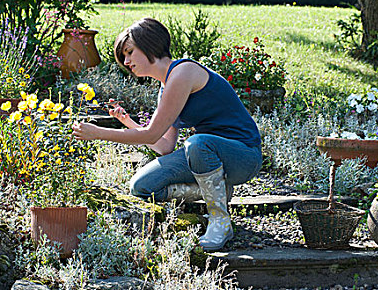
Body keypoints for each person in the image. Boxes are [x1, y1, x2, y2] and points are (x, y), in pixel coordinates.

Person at [72, 17, 262, 251]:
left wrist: (98, 132)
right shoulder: (165, 88)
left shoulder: (184, 73)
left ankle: (220, 220)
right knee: (141, 186)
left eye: (129, 52)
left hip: (243, 155)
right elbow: (163, 146)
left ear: (149, 44)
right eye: (123, 57)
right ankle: (218, 190)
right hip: (207, 155)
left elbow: (152, 134)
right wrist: (127, 121)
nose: (127, 61)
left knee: (197, 143)